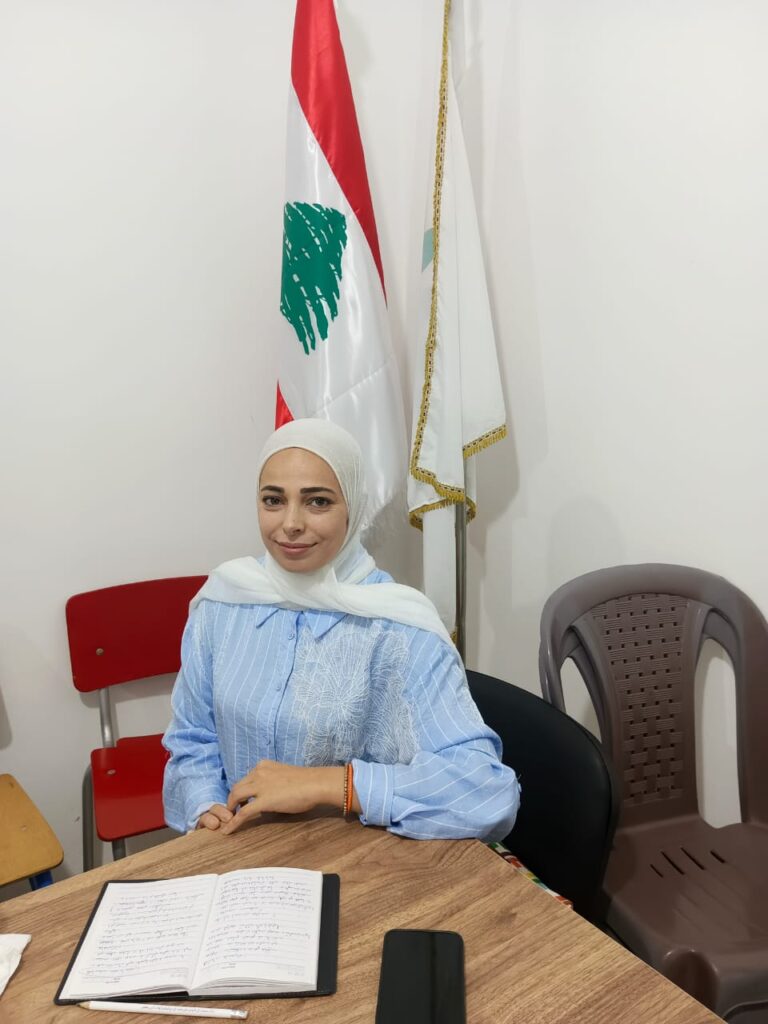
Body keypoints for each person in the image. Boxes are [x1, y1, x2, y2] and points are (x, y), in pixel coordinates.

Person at [162, 419, 520, 841]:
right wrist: (204, 806)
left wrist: (332, 784)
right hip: (240, 850)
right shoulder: (222, 603)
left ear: (352, 507)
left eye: (317, 502)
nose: (291, 523)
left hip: (356, 857)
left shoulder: (399, 627)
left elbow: (487, 792)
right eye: (273, 500)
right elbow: (192, 739)